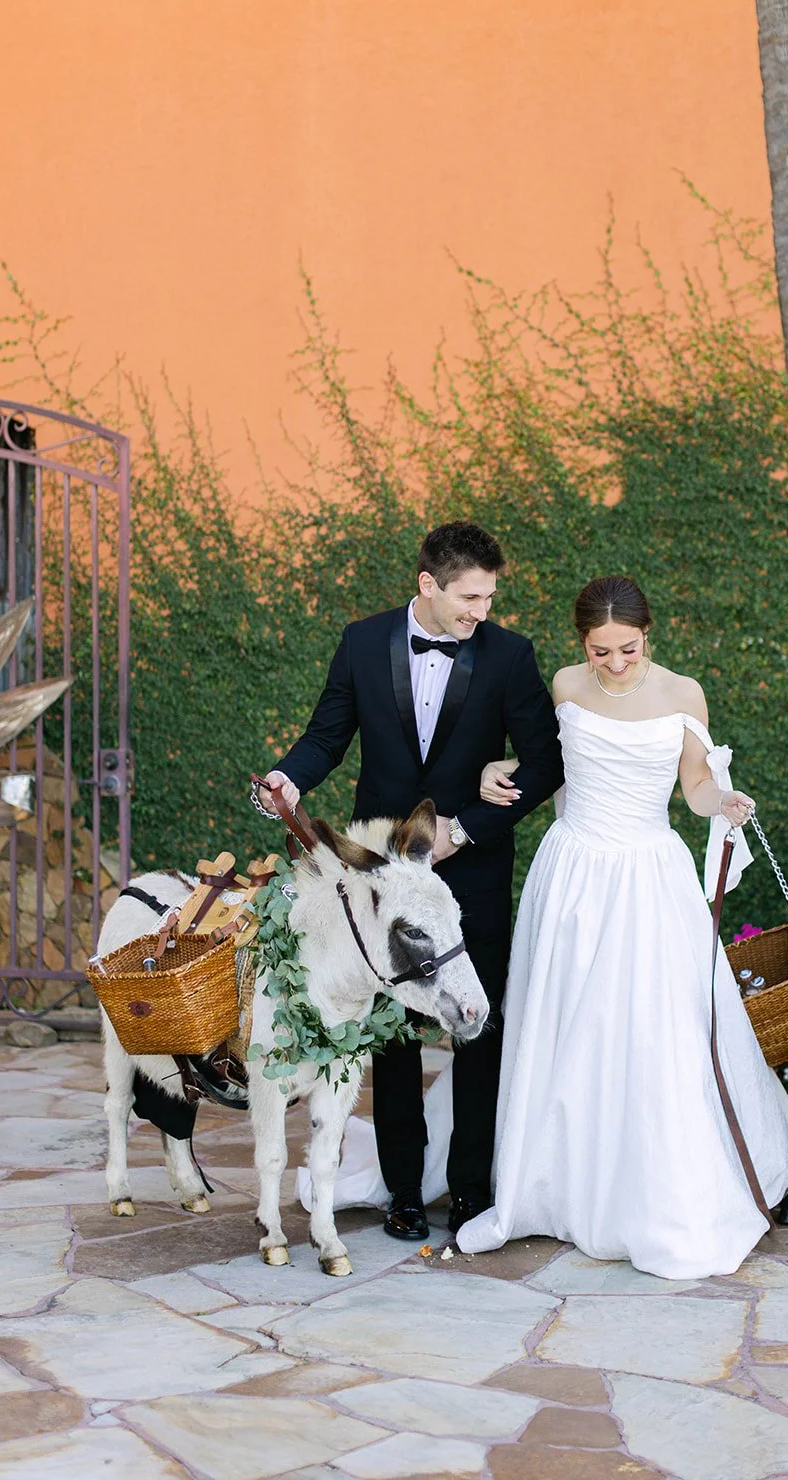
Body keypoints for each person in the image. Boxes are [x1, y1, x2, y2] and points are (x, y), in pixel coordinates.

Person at [455, 575, 788, 1279]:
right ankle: (552, 1183)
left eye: (628, 649)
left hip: (648, 873)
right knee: (568, 1021)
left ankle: (650, 1188)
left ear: (648, 635)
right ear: (581, 644)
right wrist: (501, 766)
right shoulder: (564, 684)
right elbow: (552, 766)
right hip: (573, 872)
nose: (614, 663)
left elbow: (693, 786)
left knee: (650, 1024)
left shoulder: (683, 694)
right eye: (600, 650)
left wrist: (722, 800)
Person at [252, 522, 563, 1242]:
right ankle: (401, 1188)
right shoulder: (363, 642)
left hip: (473, 875)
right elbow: (327, 735)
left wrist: (466, 827)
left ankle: (472, 1190)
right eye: (469, 597)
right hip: (378, 882)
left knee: (476, 1026)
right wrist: (287, 778)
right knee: (389, 1035)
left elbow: (546, 761)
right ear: (428, 584)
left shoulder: (509, 655)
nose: (482, 610)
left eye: (488, 597)